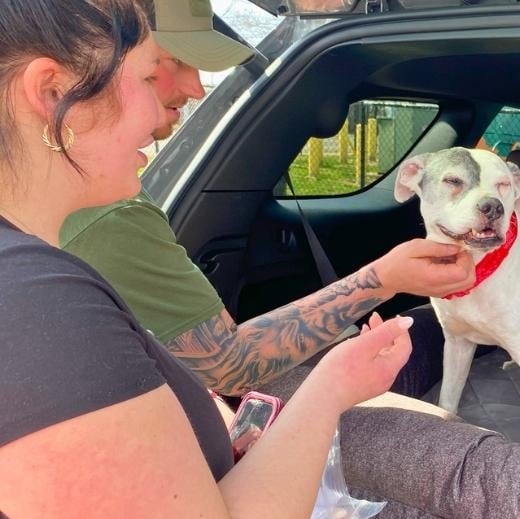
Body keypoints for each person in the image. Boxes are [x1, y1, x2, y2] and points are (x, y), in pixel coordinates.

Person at [0, 2, 413, 519]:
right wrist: (331, 388)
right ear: (52, 90)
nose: (186, 93)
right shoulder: (34, 302)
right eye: (150, 73)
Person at [60, 0, 474, 398]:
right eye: (167, 64)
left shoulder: (91, 190)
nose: (196, 88)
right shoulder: (105, 210)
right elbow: (230, 366)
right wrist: (386, 279)